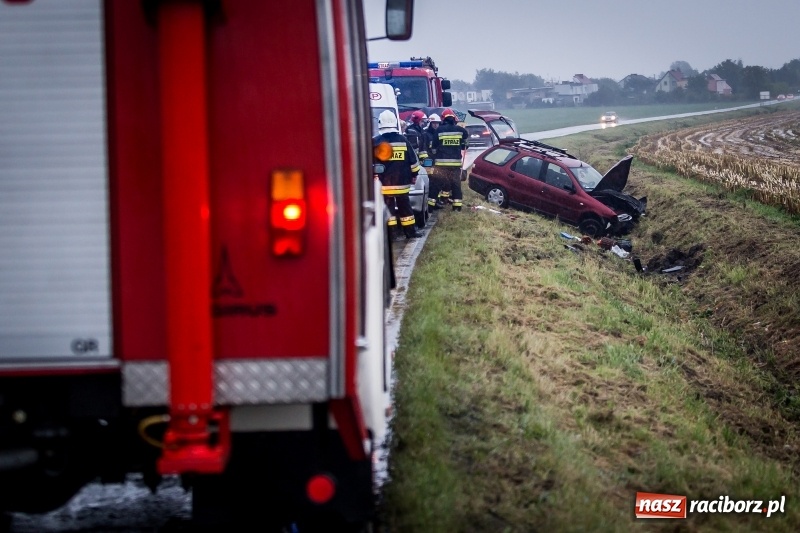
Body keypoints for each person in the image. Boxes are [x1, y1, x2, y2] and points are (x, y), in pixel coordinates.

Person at [373, 110, 424, 240]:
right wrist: (414, 175)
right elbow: (414, 163)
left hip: (384, 185)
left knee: (388, 209)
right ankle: (410, 233)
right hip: (402, 184)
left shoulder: (375, 142)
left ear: (380, 123)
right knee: (405, 209)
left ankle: (391, 235)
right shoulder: (403, 140)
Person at [430, 108, 468, 211]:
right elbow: (465, 139)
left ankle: (431, 206)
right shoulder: (460, 130)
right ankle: (457, 207)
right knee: (456, 185)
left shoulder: (439, 130)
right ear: (454, 119)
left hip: (441, 164)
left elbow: (433, 148)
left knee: (436, 184)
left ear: (443, 119)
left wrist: (435, 154)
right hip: (455, 165)